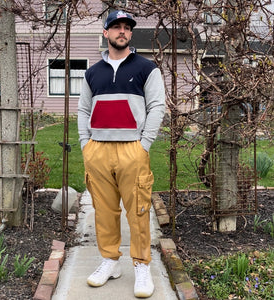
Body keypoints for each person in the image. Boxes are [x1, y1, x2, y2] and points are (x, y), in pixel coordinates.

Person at [78, 10, 165, 298]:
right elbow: (83, 110)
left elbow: (157, 108)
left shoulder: (146, 68)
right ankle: (110, 261)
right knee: (104, 211)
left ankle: (141, 266)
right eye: (116, 27)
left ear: (130, 34)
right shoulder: (92, 73)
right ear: (106, 33)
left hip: (132, 150)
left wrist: (144, 146)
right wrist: (85, 144)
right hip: (98, 150)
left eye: (127, 28)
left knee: (138, 209)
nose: (122, 31)